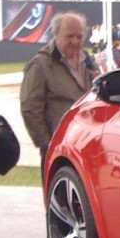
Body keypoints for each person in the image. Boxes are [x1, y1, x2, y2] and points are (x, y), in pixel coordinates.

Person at [20, 11, 98, 167]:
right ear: (56, 35)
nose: (75, 41)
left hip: (88, 146)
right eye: (70, 36)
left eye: (79, 36)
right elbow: (30, 108)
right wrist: (48, 144)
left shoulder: (88, 62)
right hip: (59, 149)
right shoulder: (40, 64)